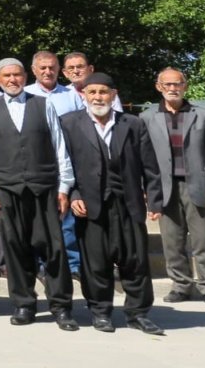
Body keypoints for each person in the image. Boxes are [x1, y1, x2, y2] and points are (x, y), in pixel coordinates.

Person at [0, 58, 78, 330]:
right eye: (6, 76)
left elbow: (59, 148)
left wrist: (64, 187)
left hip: (44, 188)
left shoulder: (43, 105)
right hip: (7, 189)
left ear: (25, 77)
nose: (12, 80)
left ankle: (61, 306)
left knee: (54, 249)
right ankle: (24, 304)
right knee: (16, 249)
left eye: (17, 75)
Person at [61, 73, 164, 335]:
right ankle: (100, 312)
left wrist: (154, 200)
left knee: (135, 260)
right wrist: (73, 195)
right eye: (92, 92)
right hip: (91, 204)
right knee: (96, 262)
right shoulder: (69, 124)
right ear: (84, 94)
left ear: (113, 94)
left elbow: (150, 166)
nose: (98, 97)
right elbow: (63, 165)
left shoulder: (132, 123)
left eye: (103, 92)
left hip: (128, 203)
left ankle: (138, 313)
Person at [140, 67, 205, 307]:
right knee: (172, 242)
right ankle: (180, 286)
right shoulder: (148, 117)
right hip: (164, 187)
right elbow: (143, 157)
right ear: (159, 87)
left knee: (203, 242)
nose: (172, 88)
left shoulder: (203, 115)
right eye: (167, 85)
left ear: (185, 86)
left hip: (198, 185)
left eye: (177, 84)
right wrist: (146, 187)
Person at [24, 50, 82, 280]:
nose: (48, 72)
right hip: (35, 163)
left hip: (64, 161)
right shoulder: (25, 93)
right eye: (43, 68)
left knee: (66, 216)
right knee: (37, 216)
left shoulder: (71, 95)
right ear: (34, 70)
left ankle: (73, 264)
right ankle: (39, 262)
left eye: (52, 68)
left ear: (59, 70)